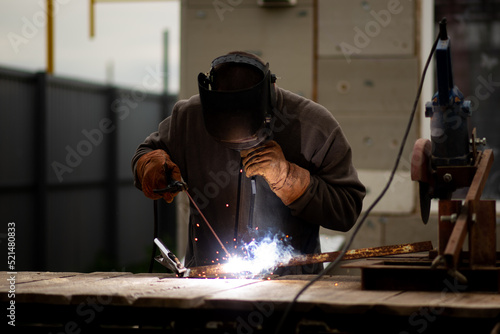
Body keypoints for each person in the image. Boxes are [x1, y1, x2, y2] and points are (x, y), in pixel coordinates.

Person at [132, 51, 365, 274]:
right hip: (207, 282)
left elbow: (347, 209)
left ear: (268, 102)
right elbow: (147, 151)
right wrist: (150, 164)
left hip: (291, 287)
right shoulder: (189, 118)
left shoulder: (314, 126)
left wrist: (289, 179)